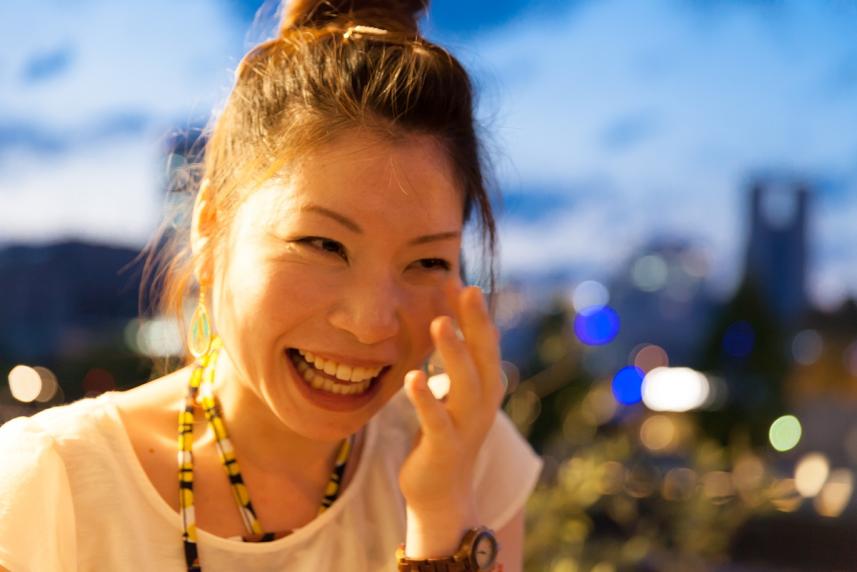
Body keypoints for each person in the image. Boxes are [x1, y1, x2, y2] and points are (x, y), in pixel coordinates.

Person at [0, 0, 542, 570]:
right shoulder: (51, 488)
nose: (371, 323)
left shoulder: (471, 460)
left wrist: (443, 515)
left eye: (427, 261)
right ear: (211, 224)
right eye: (323, 245)